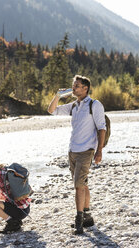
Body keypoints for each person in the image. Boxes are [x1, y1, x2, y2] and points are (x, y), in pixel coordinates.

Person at [47, 75, 106, 234]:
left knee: (78, 186)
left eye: (76, 86)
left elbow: (102, 128)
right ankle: (87, 216)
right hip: (72, 150)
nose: (73, 88)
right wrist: (58, 96)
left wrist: (99, 150)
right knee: (83, 183)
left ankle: (79, 222)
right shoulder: (73, 106)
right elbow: (51, 111)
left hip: (87, 151)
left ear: (85, 88)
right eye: (73, 85)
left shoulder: (95, 105)